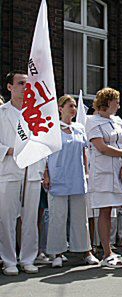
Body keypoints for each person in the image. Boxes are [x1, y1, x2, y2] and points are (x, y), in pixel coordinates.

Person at [86, 87, 122, 268]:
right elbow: (102, 147)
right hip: (103, 173)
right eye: (116, 102)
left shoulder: (118, 120)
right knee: (105, 212)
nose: (119, 105)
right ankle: (107, 254)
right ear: (107, 102)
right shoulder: (91, 121)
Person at [43, 95, 98, 267]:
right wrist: (45, 173)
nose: (73, 109)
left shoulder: (80, 128)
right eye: (69, 105)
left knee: (80, 217)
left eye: (74, 106)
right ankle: (57, 253)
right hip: (58, 177)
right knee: (57, 217)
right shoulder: (51, 128)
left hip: (77, 177)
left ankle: (85, 251)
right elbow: (45, 152)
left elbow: (84, 153)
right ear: (60, 108)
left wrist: (87, 173)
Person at [0, 71, 45, 275]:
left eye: (28, 84)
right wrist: (11, 151)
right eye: (21, 83)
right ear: (10, 87)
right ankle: (9, 260)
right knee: (7, 217)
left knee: (30, 217)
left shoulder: (36, 114)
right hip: (9, 170)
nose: (25, 87)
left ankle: (28, 258)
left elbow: (45, 142)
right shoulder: (2, 113)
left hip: (32, 170)